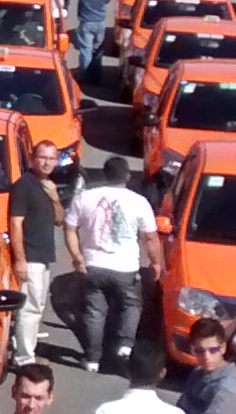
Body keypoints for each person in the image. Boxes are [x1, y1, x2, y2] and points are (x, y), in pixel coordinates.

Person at [64, 158, 163, 374]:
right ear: (127, 176)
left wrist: (77, 256)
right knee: (131, 304)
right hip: (125, 268)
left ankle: (92, 359)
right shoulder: (139, 202)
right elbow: (150, 238)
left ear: (104, 174)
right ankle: (125, 346)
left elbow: (69, 227)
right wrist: (155, 263)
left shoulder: (84, 198)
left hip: (93, 266)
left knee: (94, 312)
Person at [8, 142, 68, 364]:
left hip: (43, 258)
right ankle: (24, 358)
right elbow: (15, 223)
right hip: (30, 256)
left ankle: (24, 349)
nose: (46, 162)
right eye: (42, 157)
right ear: (32, 159)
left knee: (37, 307)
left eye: (51, 158)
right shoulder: (24, 185)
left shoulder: (48, 186)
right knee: (30, 308)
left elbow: (60, 219)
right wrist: (20, 259)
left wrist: (54, 196)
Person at [67, 0, 114, 82]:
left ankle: (85, 75)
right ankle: (96, 74)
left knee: (86, 50)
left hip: (86, 23)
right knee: (97, 50)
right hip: (100, 24)